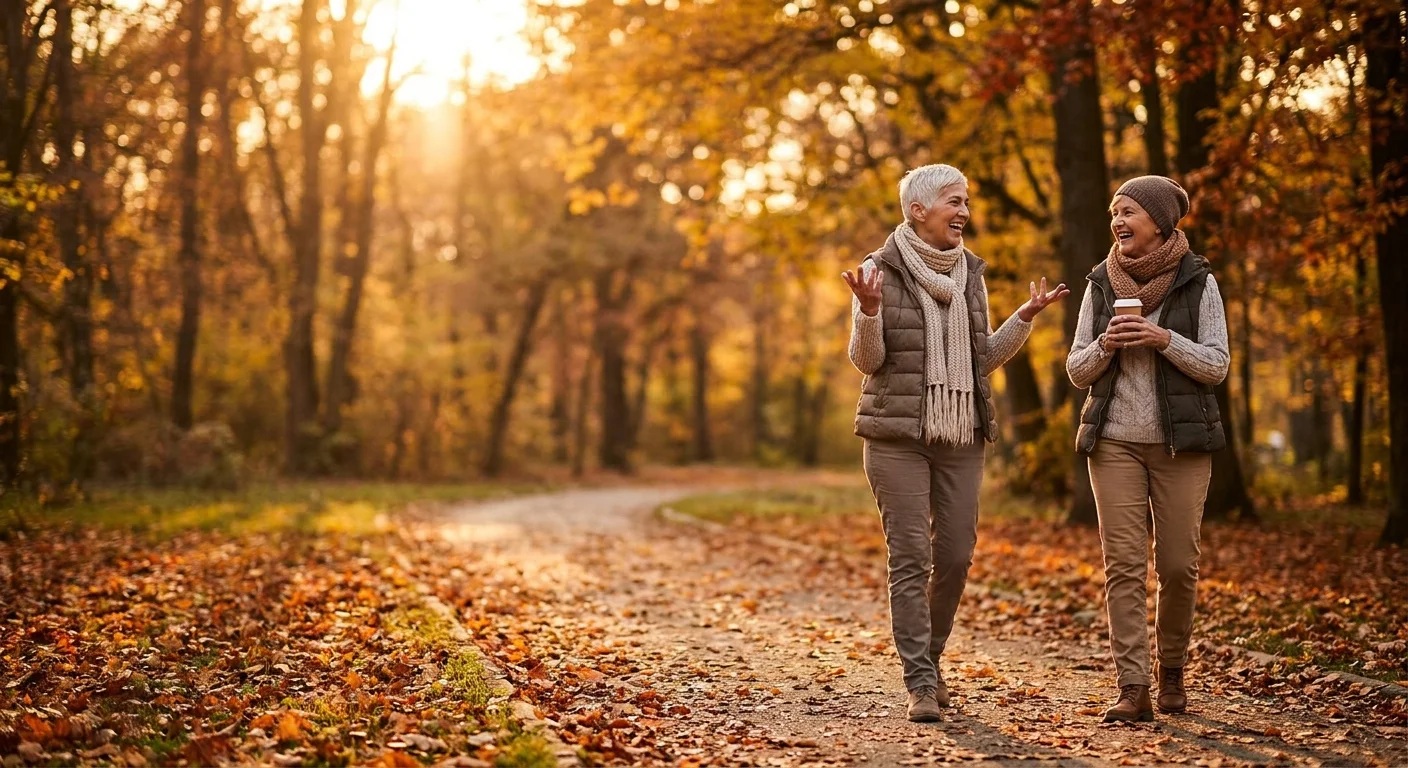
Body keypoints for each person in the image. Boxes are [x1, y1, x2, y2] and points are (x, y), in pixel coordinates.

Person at [842, 163, 1068, 722]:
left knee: (957, 555)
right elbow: (867, 361)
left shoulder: (971, 271)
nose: (964, 211)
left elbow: (982, 358)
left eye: (966, 201)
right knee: (912, 555)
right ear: (918, 210)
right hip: (897, 435)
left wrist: (1024, 318)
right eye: (953, 201)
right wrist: (870, 312)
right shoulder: (879, 270)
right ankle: (920, 681)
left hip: (961, 430)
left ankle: (932, 659)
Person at [1065, 175, 1230, 723]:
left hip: (1181, 445)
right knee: (1124, 567)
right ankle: (1132, 687)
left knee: (1179, 566)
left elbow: (1217, 364)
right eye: (1114, 210)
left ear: (1159, 222)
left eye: (1130, 210)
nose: (1118, 219)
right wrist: (1105, 347)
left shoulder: (1198, 282)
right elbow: (1075, 368)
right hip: (1113, 442)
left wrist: (1164, 340)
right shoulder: (1100, 284)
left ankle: (1173, 672)